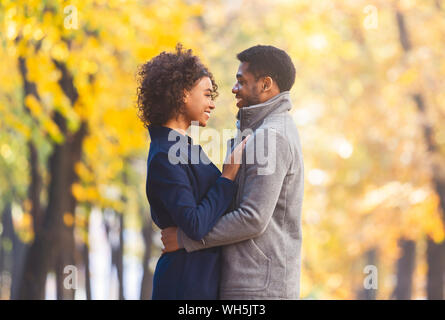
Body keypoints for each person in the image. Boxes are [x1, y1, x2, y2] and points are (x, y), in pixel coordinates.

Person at [161, 45, 304, 300]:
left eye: (241, 81)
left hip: (258, 289)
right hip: (249, 283)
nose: (233, 89)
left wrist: (185, 239)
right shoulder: (256, 132)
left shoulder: (271, 136)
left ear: (266, 84)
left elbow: (252, 218)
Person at [137, 44, 248, 299]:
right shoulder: (165, 154)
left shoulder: (182, 147)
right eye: (207, 94)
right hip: (184, 283)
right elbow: (195, 224)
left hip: (198, 278)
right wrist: (227, 176)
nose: (212, 104)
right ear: (183, 94)